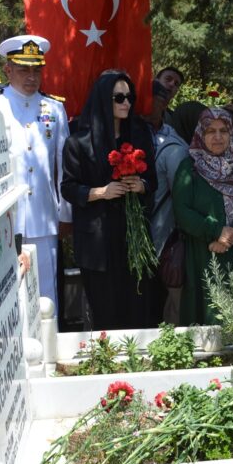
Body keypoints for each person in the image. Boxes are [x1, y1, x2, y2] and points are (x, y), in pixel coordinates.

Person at [61, 71, 157, 329]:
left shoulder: (139, 135)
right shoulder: (78, 142)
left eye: (129, 96)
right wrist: (101, 192)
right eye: (119, 97)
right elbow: (69, 188)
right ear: (104, 99)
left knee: (137, 304)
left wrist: (141, 185)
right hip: (97, 238)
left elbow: (153, 181)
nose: (126, 102)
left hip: (132, 236)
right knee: (105, 308)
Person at [0, 34, 71, 311]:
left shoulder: (54, 108)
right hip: (4, 217)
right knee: (6, 294)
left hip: (43, 214)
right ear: (8, 70)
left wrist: (65, 212)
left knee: (45, 293)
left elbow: (64, 165)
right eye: (24, 69)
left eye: (36, 69)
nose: (31, 77)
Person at [172, 108, 233, 325]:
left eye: (224, 130)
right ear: (200, 134)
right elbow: (182, 211)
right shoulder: (189, 169)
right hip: (205, 254)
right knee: (209, 317)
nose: (218, 137)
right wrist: (216, 231)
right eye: (211, 131)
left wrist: (231, 235)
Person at [144, 81, 189, 324]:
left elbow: (181, 194)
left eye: (153, 100)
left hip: (161, 235)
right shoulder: (126, 131)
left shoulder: (173, 145)